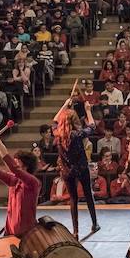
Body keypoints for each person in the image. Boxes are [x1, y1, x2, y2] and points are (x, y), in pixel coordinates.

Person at [52, 94, 100, 239]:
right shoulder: (77, 134)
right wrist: (88, 110)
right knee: (88, 195)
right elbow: (92, 126)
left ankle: (75, 231)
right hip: (81, 168)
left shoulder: (57, 134)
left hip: (66, 170)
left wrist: (65, 105)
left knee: (73, 199)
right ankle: (94, 223)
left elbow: (55, 120)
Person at [0, 135, 41, 236]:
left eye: (16, 161)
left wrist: (1, 147)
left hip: (26, 232)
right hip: (10, 229)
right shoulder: (13, 179)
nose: (13, 163)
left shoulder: (33, 182)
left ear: (26, 166)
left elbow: (14, 169)